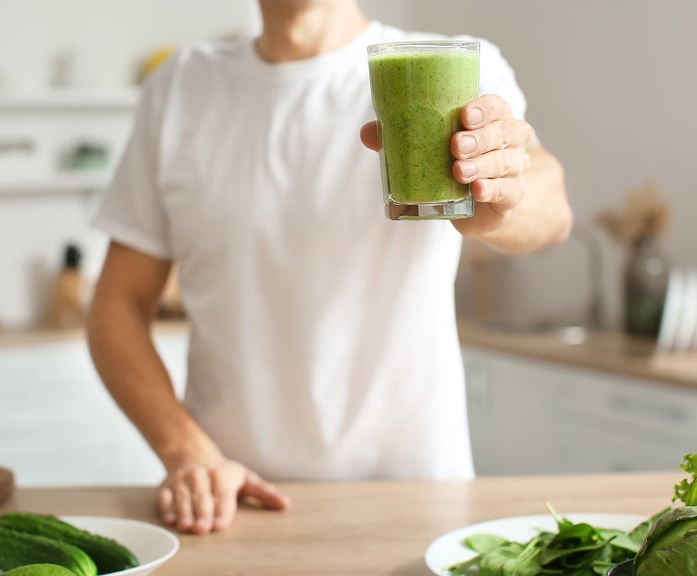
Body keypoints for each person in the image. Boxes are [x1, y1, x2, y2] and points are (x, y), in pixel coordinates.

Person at [87, 0, 571, 535]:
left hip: (418, 498)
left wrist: (502, 201)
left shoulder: (452, 68)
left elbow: (551, 207)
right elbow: (116, 307)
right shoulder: (180, 86)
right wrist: (187, 452)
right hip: (236, 503)